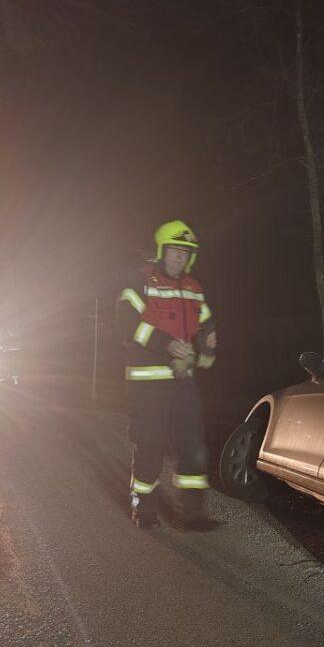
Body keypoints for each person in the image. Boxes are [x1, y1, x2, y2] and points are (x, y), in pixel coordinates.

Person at [117, 220, 217, 529]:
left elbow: (206, 324)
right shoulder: (140, 282)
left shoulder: (193, 288)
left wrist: (206, 348)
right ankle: (144, 509)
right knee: (150, 445)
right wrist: (169, 345)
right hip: (146, 382)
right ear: (161, 251)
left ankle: (193, 515)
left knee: (193, 445)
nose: (180, 258)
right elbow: (128, 324)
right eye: (174, 251)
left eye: (185, 253)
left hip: (181, 380)